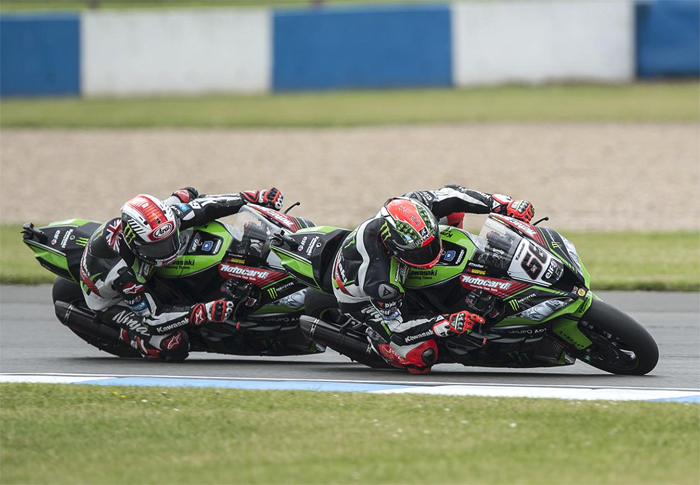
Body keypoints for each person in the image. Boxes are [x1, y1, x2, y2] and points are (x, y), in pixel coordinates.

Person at [330, 184, 535, 374]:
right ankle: (378, 345)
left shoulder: (412, 204)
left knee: (453, 212)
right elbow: (398, 329)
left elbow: (454, 194)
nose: (431, 254)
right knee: (421, 357)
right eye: (421, 253)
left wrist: (503, 204)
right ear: (395, 249)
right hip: (363, 301)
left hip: (389, 262)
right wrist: (447, 322)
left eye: (431, 245)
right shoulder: (381, 282)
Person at [79, 186, 284, 361]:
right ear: (137, 245)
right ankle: (130, 336)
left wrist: (254, 197)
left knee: (188, 195)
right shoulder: (124, 275)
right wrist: (201, 312)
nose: (169, 251)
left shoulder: (165, 221)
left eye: (170, 241)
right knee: (174, 345)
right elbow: (153, 316)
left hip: (147, 266)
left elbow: (209, 205)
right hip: (114, 301)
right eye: (157, 249)